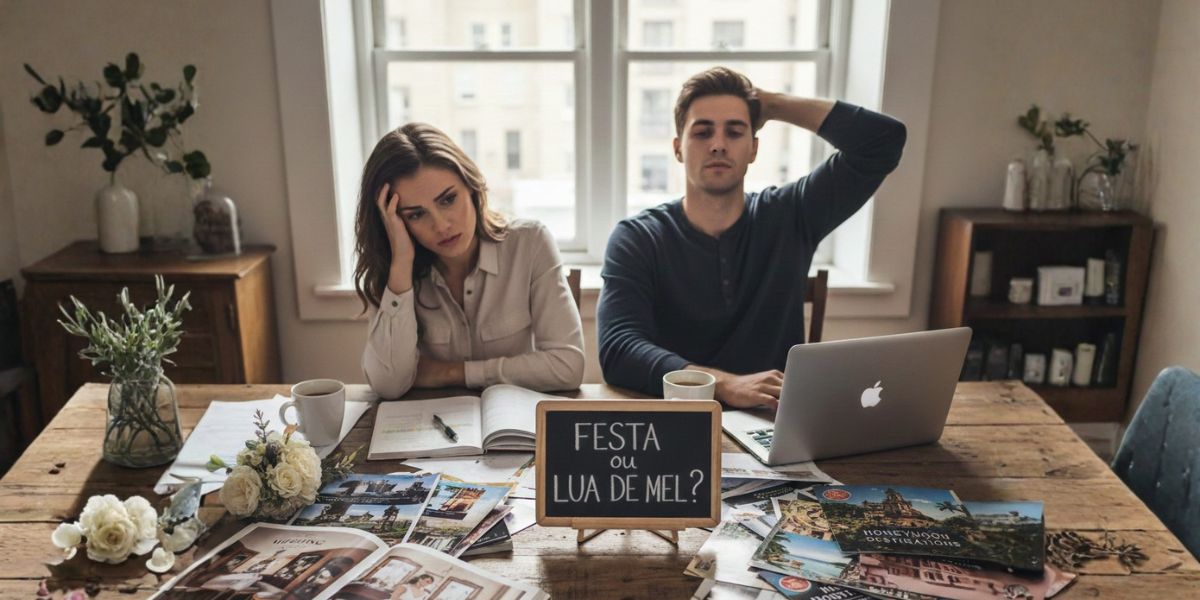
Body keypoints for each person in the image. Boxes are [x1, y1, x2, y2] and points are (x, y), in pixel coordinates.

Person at [597, 67, 907, 408]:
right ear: (678, 148)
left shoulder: (792, 214)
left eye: (734, 131)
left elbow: (883, 141)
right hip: (678, 422)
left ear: (754, 148)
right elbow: (618, 348)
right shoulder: (639, 237)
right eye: (702, 133)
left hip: (774, 420)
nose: (718, 145)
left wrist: (772, 105)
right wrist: (721, 384)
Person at [356, 123, 585, 399]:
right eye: (416, 215)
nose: (441, 225)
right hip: (429, 429)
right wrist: (401, 264)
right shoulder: (394, 269)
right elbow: (388, 385)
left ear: (472, 187)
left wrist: (452, 372)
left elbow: (568, 367)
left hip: (511, 425)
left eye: (448, 199)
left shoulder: (530, 242)